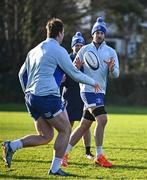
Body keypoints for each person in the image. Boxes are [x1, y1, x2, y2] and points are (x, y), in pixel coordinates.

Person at [2, 18, 100, 176]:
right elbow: (74, 73)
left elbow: (22, 74)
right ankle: (55, 169)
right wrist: (92, 81)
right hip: (47, 97)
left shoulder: (34, 50)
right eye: (63, 33)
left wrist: (28, 92)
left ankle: (11, 146)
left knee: (46, 136)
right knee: (66, 129)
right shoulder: (58, 50)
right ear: (60, 33)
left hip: (31, 98)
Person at [61, 17, 119, 168]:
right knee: (103, 119)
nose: (99, 35)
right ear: (92, 34)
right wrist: (77, 67)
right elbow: (73, 70)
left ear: (104, 35)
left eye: (102, 32)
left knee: (84, 126)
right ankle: (99, 156)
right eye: (97, 32)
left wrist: (112, 68)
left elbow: (116, 74)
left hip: (100, 92)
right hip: (87, 90)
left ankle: (64, 154)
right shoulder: (84, 49)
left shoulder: (111, 52)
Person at [61, 32, 94, 166]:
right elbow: (61, 79)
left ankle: (87, 151)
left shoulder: (87, 60)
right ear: (72, 47)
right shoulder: (67, 59)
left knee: (85, 126)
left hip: (83, 96)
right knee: (68, 126)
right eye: (76, 45)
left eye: (81, 45)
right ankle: (63, 151)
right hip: (69, 97)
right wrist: (62, 81)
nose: (79, 47)